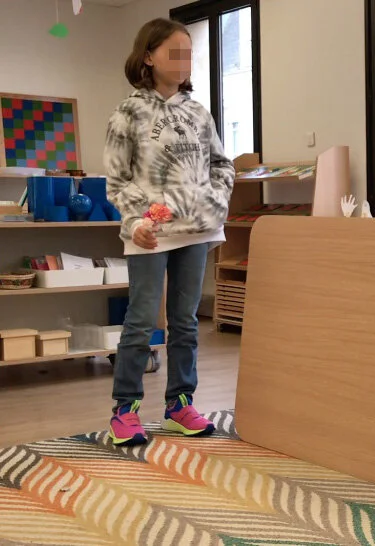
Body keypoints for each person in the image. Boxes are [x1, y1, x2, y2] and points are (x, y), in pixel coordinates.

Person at [104, 18, 235, 446]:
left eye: (188, 53)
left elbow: (222, 164)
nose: (183, 61)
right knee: (141, 322)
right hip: (150, 232)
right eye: (173, 52)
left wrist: (215, 202)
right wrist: (137, 222)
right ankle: (125, 410)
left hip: (198, 230)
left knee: (186, 323)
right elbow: (117, 183)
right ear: (147, 56)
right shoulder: (128, 113)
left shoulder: (198, 112)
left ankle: (180, 405)